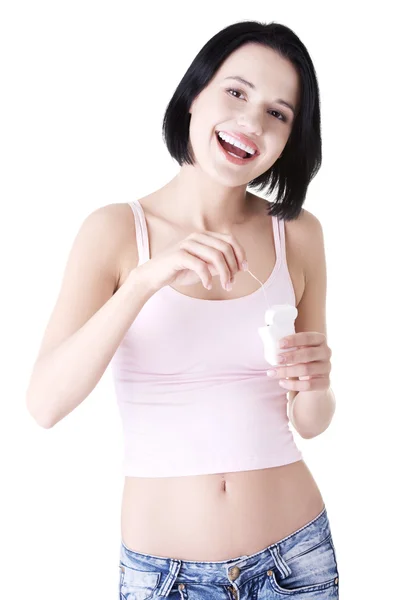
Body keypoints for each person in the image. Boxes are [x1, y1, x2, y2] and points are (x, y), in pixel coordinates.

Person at [26, 20, 340, 599]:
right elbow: (44, 404)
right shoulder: (115, 231)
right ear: (195, 94)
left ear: (290, 139)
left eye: (279, 113)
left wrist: (317, 383)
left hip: (296, 561)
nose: (251, 123)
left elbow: (311, 421)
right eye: (237, 92)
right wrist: (145, 280)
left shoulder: (297, 235)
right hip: (164, 576)